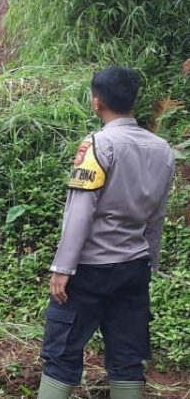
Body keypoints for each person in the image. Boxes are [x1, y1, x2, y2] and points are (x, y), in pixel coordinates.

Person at [37, 67, 175, 399]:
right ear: (132, 101)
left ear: (96, 102)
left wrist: (63, 268)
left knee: (61, 353)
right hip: (134, 268)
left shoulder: (99, 144)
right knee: (128, 359)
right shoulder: (162, 150)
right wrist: (149, 263)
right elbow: (157, 215)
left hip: (89, 270)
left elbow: (80, 211)